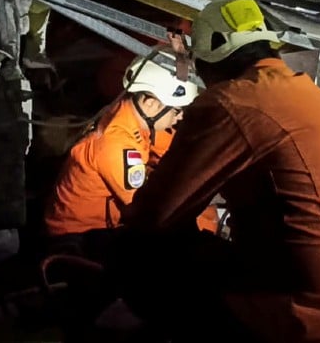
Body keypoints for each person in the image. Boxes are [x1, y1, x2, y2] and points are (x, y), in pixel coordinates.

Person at [114, 0, 320, 342]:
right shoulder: (306, 94)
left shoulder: (233, 101)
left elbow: (152, 215)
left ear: (208, 62)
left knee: (135, 254)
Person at [43, 54, 205, 257]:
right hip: (78, 236)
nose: (180, 117)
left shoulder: (129, 114)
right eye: (177, 110)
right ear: (150, 103)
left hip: (92, 227)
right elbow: (142, 207)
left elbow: (166, 150)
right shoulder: (117, 143)